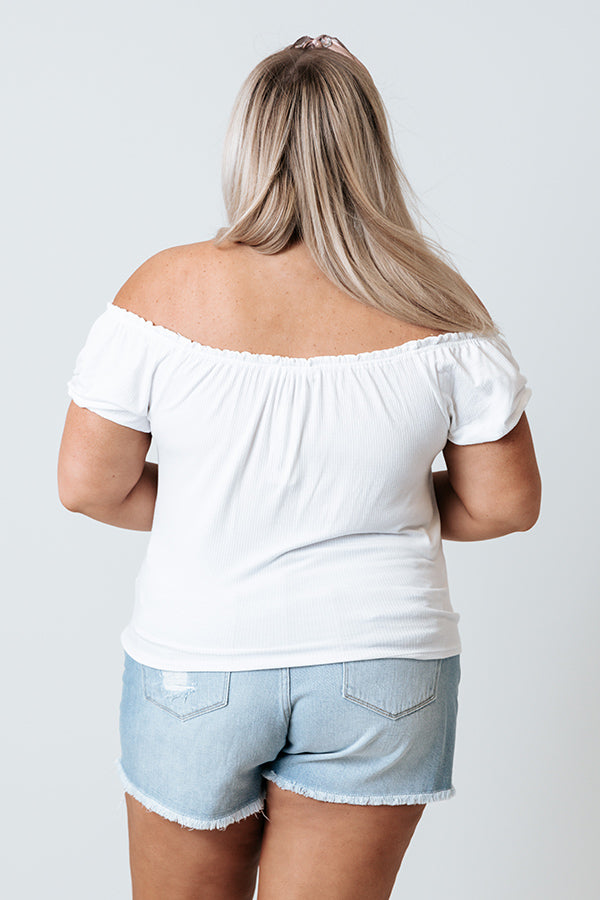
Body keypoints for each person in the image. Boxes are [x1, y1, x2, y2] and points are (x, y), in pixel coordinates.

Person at [57, 33, 542, 900]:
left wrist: (226, 505)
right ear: (370, 149)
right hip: (383, 667)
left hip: (199, 660)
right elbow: (503, 506)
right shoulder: (438, 304)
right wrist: (366, 501)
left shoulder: (163, 290)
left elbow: (90, 486)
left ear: (246, 147)